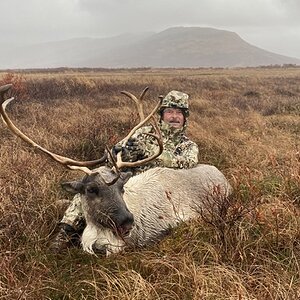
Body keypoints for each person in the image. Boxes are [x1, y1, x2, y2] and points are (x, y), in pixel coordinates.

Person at [50, 90, 199, 252]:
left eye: (179, 113)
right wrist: (120, 152)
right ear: (162, 115)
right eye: (170, 112)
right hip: (127, 183)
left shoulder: (189, 146)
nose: (174, 116)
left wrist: (152, 154)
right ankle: (66, 229)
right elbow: (113, 156)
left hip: (158, 189)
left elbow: (186, 164)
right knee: (92, 185)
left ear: (185, 117)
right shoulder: (142, 132)